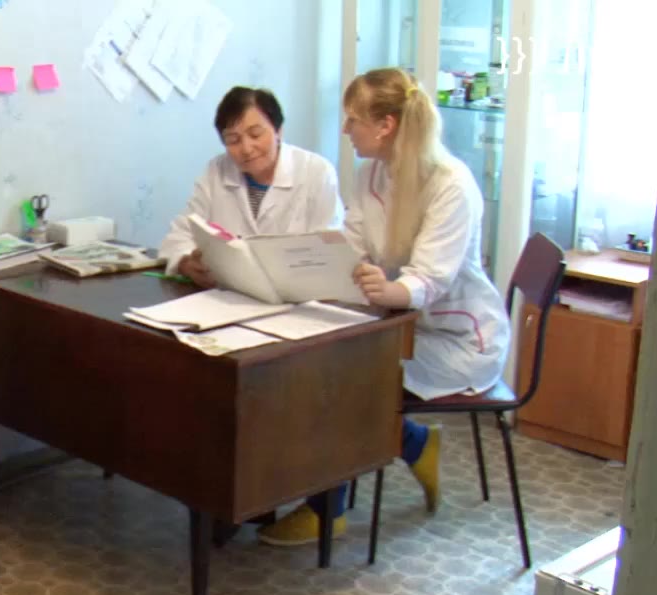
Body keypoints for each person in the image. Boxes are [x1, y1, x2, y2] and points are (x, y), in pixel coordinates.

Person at [256, 67, 511, 547]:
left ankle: (327, 511)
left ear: (385, 125)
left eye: (352, 120)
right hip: (403, 324)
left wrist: (385, 289)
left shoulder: (451, 186)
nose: (345, 129)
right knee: (319, 364)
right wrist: (311, 268)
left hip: (459, 340)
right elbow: (352, 246)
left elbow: (430, 279)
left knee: (348, 378)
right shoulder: (370, 174)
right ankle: (413, 443)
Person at [160, 85, 345, 287]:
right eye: (233, 140)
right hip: (228, 293)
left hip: (299, 294)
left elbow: (330, 251)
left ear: (278, 131)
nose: (246, 149)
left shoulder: (316, 172)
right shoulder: (217, 171)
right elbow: (181, 234)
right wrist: (186, 262)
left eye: (255, 134)